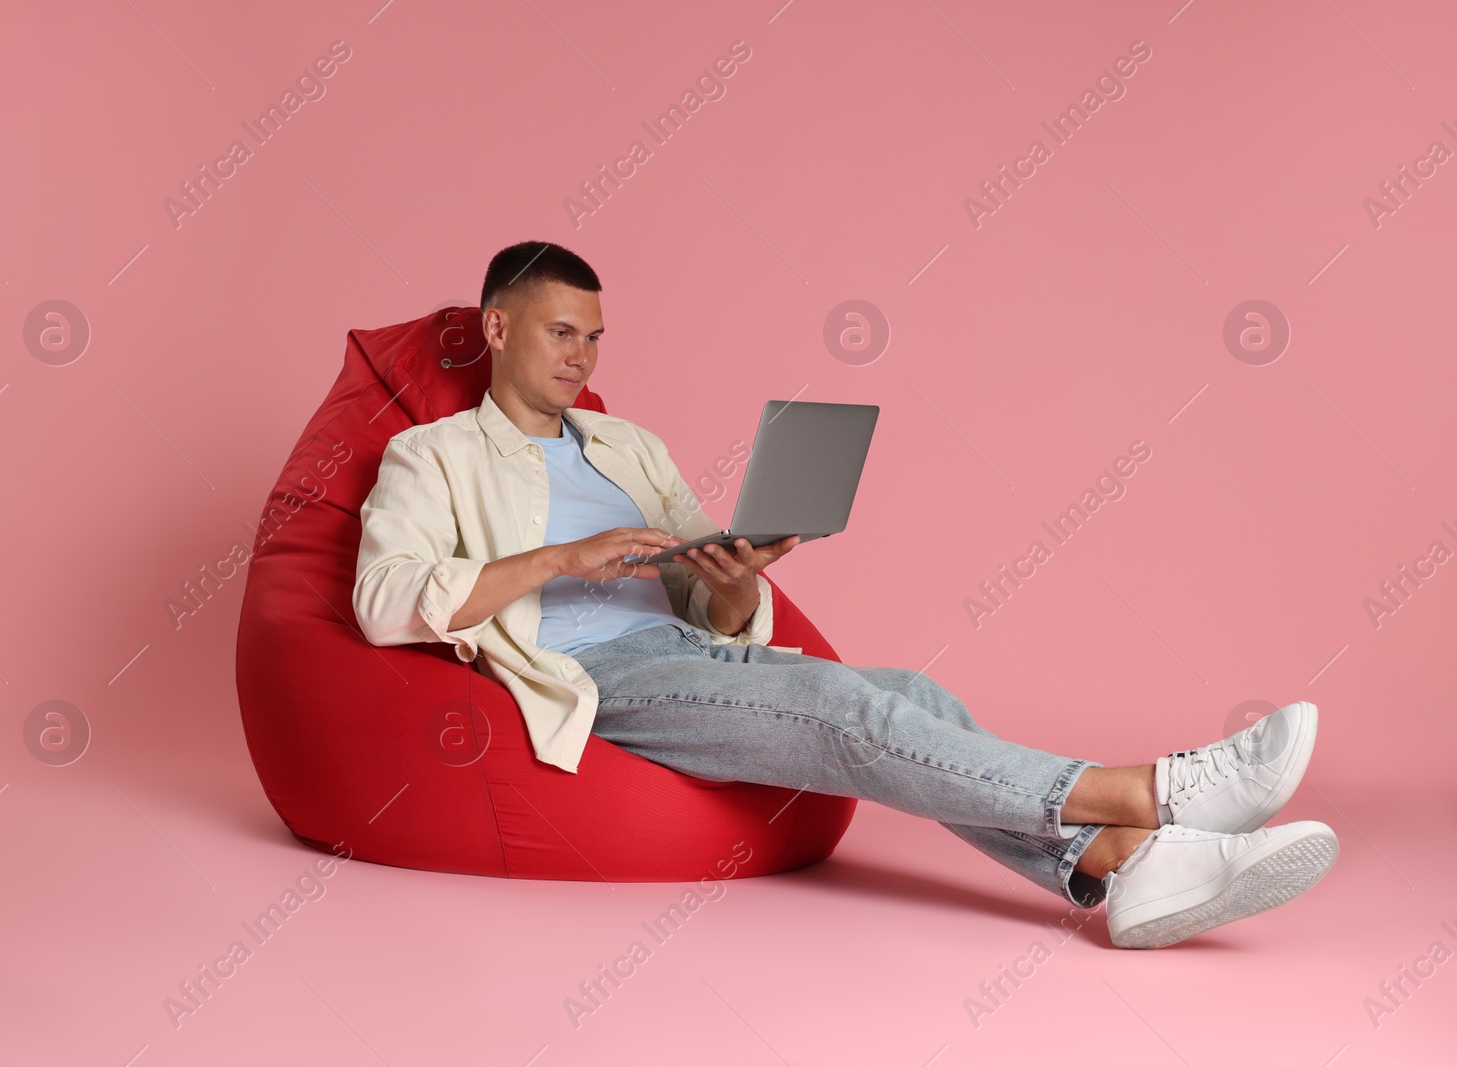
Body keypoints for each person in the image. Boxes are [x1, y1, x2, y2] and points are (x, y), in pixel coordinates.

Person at [353, 240, 1338, 949]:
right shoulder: (429, 453)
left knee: (911, 690)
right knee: (841, 706)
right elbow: (382, 597)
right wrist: (561, 559)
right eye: (561, 331)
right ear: (496, 325)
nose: (581, 356)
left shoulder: (628, 446)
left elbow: (713, 610)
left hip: (694, 657)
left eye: (596, 337)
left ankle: (1115, 866)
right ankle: (1152, 791)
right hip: (592, 675)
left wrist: (735, 583)